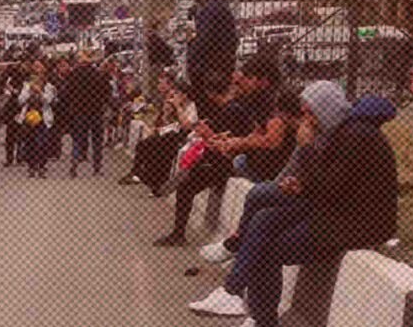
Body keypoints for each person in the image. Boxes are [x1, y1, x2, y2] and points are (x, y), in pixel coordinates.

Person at [189, 88, 398, 327]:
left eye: (310, 112)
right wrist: (298, 184)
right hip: (336, 211)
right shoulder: (341, 132)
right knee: (264, 219)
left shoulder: (356, 137)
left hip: (357, 224)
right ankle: (247, 306)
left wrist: (307, 148)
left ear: (325, 110)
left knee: (270, 249)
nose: (306, 118)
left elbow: (330, 188)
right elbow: (328, 183)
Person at [197, 81, 352, 265]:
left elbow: (325, 183)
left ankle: (236, 257)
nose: (307, 118)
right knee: (261, 213)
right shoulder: (315, 131)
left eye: (309, 112)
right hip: (306, 192)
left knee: (262, 210)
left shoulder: (335, 137)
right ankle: (236, 271)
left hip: (328, 209)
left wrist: (303, 154)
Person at [153, 73, 255, 247]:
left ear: (212, 93)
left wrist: (206, 133)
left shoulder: (231, 110)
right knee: (186, 178)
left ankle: (178, 233)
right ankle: (168, 194)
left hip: (223, 163)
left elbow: (221, 139)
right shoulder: (232, 108)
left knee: (185, 187)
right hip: (221, 159)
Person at [120, 77, 198, 194]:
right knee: (145, 143)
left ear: (185, 95)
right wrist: (167, 112)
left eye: (178, 93)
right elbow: (167, 121)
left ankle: (148, 177)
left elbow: (187, 125)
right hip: (172, 131)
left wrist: (177, 107)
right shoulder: (172, 102)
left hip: (185, 135)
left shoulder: (192, 107)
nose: (175, 95)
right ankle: (137, 172)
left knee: (159, 146)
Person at [187, 0, 238, 110]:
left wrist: (192, 60)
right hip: (216, 66)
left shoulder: (211, 9)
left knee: (208, 110)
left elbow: (204, 41)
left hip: (210, 69)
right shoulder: (216, 7)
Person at [65, 51, 111, 177]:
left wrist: (71, 106)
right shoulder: (98, 75)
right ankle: (97, 167)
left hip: (79, 111)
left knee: (78, 138)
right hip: (96, 111)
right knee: (97, 141)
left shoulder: (73, 74)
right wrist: (103, 104)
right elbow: (106, 92)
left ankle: (74, 162)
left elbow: (66, 93)